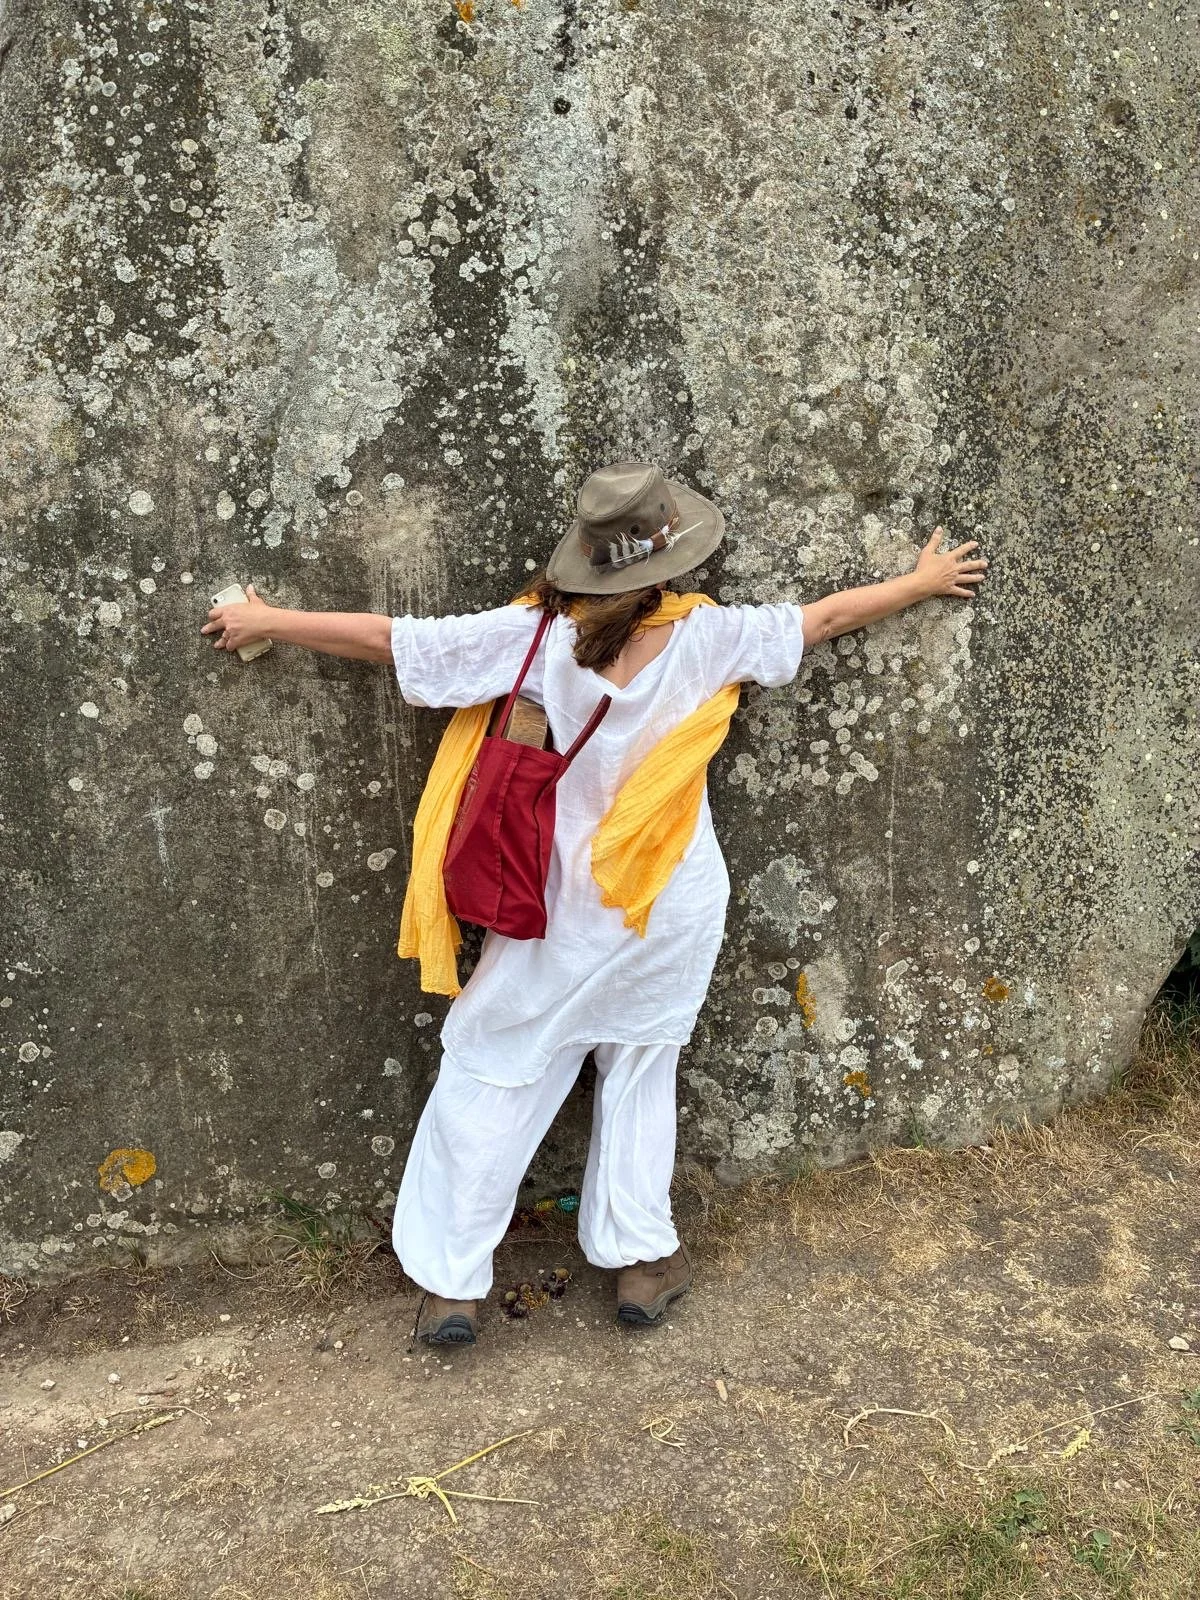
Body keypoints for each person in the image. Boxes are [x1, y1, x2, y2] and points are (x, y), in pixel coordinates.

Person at [201, 461, 987, 1346]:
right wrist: (921, 582)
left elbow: (394, 641)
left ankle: (453, 1284)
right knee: (641, 1068)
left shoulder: (535, 637)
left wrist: (268, 620)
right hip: (666, 900)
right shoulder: (710, 636)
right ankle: (641, 1263)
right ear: (671, 559)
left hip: (557, 905)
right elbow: (825, 619)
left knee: (496, 1063)